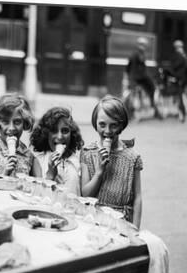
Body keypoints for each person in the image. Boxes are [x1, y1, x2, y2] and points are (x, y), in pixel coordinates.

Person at [80, 96, 143, 228]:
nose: (107, 131)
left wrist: (136, 229)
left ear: (121, 126)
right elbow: (86, 194)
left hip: (121, 223)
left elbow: (137, 198)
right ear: (95, 124)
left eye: (113, 125)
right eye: (102, 124)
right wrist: (99, 172)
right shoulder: (87, 153)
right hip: (94, 221)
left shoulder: (132, 158)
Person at [0, 94, 42, 177]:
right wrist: (5, 174)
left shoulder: (28, 156)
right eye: (5, 122)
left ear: (24, 123)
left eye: (17, 122)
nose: (11, 128)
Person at [30, 107, 84, 195]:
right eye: (54, 131)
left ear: (72, 134)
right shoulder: (38, 162)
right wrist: (50, 175)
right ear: (46, 134)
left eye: (65, 131)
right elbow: (38, 198)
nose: (59, 137)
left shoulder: (78, 163)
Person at [125, 37, 162, 119]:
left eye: (144, 45)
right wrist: (129, 78)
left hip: (142, 77)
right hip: (135, 78)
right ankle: (129, 113)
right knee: (131, 93)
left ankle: (155, 109)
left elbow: (143, 69)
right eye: (141, 44)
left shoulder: (141, 54)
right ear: (138, 45)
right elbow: (129, 68)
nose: (143, 46)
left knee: (152, 88)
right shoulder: (135, 54)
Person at [170, 39, 187, 122]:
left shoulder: (178, 56)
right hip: (184, 79)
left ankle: (182, 114)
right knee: (181, 96)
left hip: (179, 79)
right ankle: (180, 112)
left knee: (180, 97)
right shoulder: (184, 56)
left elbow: (174, 68)